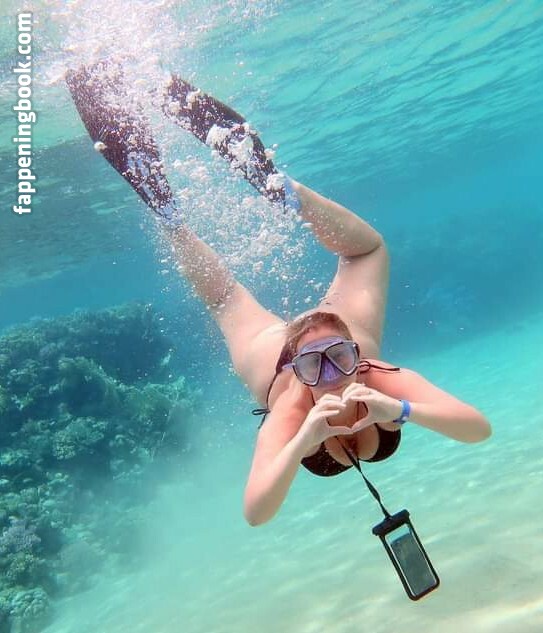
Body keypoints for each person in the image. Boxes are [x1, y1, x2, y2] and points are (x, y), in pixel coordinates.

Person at [66, 62, 492, 527]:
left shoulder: (343, 393)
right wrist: (315, 431)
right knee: (367, 251)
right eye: (317, 364)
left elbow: (257, 512)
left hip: (274, 357)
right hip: (293, 352)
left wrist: (387, 412)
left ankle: (165, 209)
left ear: (349, 356)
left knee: (225, 298)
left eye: (337, 359)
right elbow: (478, 429)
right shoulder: (309, 401)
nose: (331, 376)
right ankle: (281, 190)